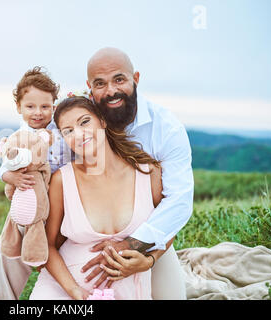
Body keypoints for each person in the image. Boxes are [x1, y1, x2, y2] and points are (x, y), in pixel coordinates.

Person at [29, 95, 174, 299]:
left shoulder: (148, 174)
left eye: (85, 122)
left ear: (103, 121)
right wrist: (74, 291)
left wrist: (149, 260)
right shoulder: (62, 180)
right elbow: (48, 245)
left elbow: (169, 226)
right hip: (64, 289)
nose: (78, 134)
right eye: (68, 131)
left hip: (128, 290)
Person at [77, 48, 192, 299]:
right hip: (84, 233)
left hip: (144, 232)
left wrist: (143, 254)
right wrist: (12, 171)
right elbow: (42, 149)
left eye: (119, 79)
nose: (111, 91)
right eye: (100, 83)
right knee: (19, 221)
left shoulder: (166, 128)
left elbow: (178, 202)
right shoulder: (78, 121)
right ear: (89, 87)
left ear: (135, 78)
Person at [0, 66, 72, 300]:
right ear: (19, 107)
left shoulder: (62, 130)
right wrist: (11, 177)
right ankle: (4, 296)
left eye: (45, 106)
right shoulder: (18, 137)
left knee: (51, 250)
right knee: (11, 247)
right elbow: (2, 168)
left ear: (54, 107)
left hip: (60, 205)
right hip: (29, 205)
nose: (38, 112)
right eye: (30, 106)